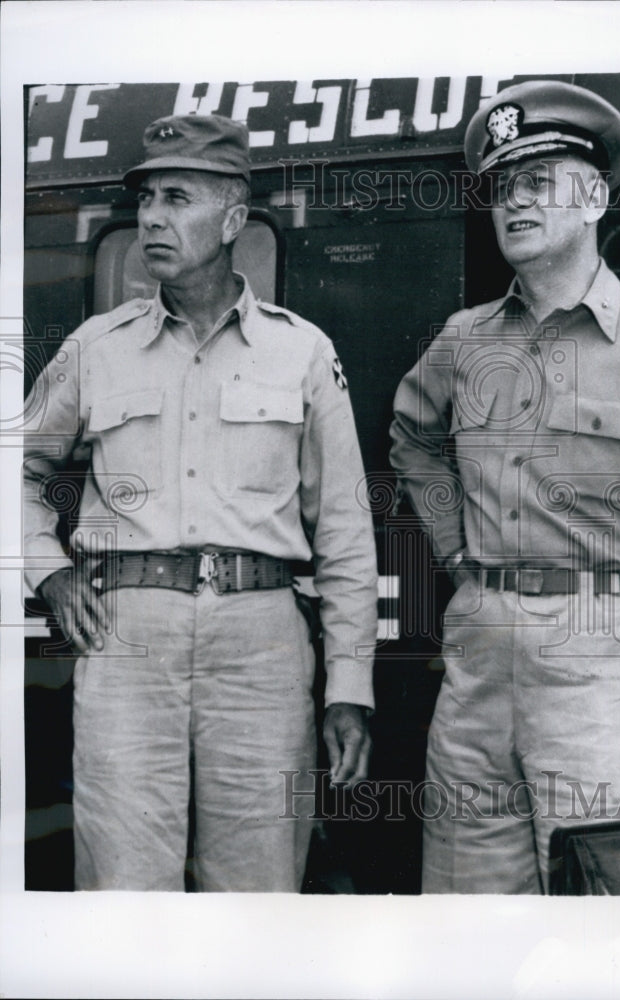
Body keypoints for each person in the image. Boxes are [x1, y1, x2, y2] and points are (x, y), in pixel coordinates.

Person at [24, 113, 377, 892]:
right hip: (127, 640)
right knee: (123, 884)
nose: (152, 217)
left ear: (233, 219)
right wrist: (48, 570)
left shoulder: (302, 351)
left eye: (176, 197)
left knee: (257, 892)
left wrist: (349, 687)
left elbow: (346, 530)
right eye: (145, 199)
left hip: (262, 645)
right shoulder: (95, 348)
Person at [390, 80, 620, 893]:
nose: (515, 202)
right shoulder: (466, 340)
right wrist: (459, 548)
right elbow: (410, 435)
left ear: (595, 197)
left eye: (538, 183)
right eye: (503, 186)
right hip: (477, 657)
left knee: (601, 913)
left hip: (603, 661)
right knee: (467, 911)